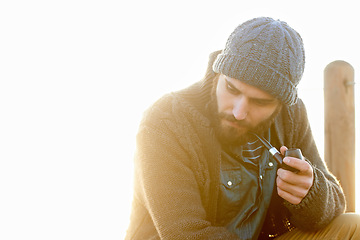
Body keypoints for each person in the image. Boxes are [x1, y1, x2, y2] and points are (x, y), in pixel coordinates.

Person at [125, 17, 360, 239]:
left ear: (280, 104)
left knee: (354, 228)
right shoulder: (166, 121)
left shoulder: (291, 114)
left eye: (260, 102)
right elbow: (186, 234)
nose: (239, 111)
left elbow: (336, 203)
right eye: (232, 89)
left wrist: (311, 194)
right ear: (219, 73)